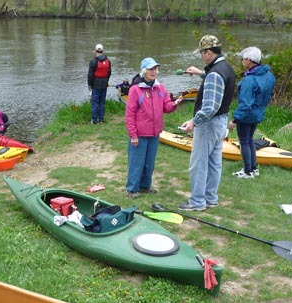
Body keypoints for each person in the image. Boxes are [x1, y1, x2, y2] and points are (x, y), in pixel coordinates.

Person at [178, 35, 235, 211]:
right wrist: (199, 73)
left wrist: (193, 122)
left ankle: (196, 202)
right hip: (221, 123)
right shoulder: (226, 68)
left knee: (199, 164)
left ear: (209, 52)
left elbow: (210, 107)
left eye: (202, 53)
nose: (201, 56)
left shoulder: (215, 74)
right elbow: (216, 81)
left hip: (209, 125)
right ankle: (211, 197)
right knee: (214, 163)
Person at [125, 57, 183, 198]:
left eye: (156, 69)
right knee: (136, 162)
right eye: (151, 69)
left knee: (149, 163)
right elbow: (130, 114)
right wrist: (133, 135)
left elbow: (166, 107)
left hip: (155, 133)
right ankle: (132, 189)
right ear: (144, 71)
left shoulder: (160, 87)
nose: (154, 72)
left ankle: (145, 186)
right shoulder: (135, 90)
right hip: (139, 134)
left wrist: (175, 104)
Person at [228, 47, 276, 179]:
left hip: (246, 115)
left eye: (243, 59)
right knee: (249, 140)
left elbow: (245, 104)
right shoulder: (268, 75)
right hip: (258, 113)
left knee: (244, 141)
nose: (242, 61)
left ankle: (247, 171)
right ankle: (254, 169)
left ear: (249, 61)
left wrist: (234, 120)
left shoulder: (250, 80)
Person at [87, 43, 112, 125]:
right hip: (104, 83)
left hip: (96, 84)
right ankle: (101, 119)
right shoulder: (108, 61)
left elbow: (90, 75)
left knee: (95, 102)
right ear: (102, 51)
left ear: (95, 51)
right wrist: (106, 81)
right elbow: (109, 73)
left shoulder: (93, 61)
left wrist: (89, 85)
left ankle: (94, 120)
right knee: (102, 102)